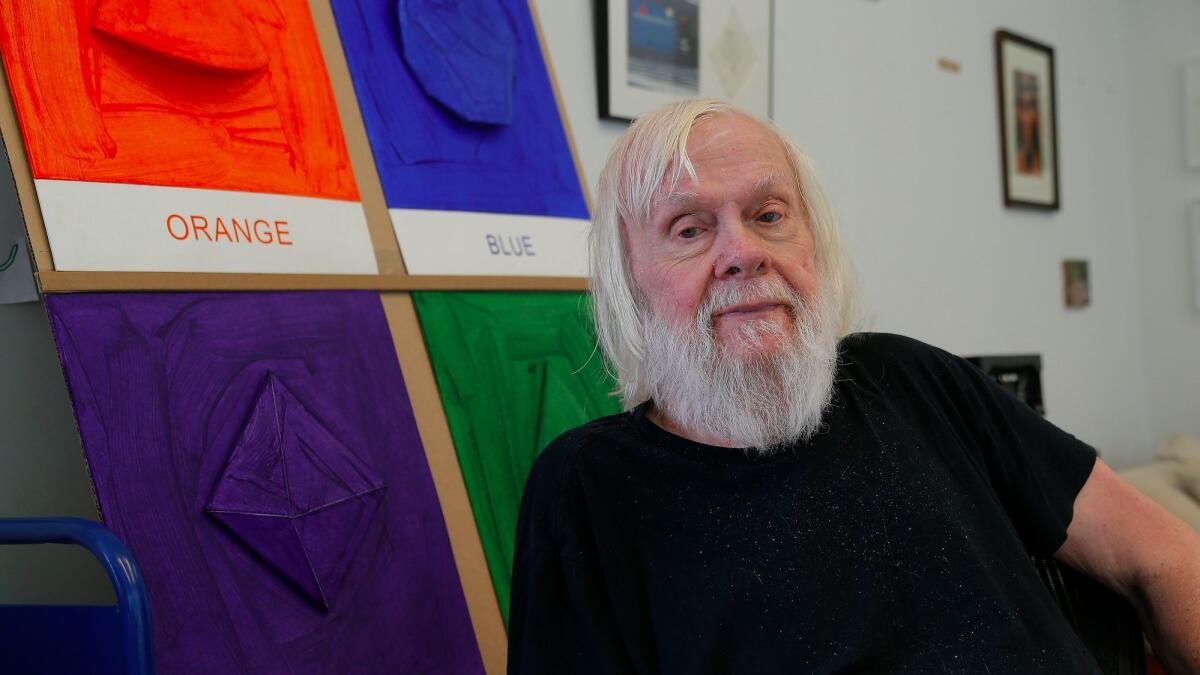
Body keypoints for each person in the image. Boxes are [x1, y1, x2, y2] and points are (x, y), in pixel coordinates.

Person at [506, 99, 1200, 673]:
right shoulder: (586, 491)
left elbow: (1163, 553)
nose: (743, 251)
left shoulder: (913, 381)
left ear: (813, 243)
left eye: (769, 214)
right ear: (630, 283)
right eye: (689, 228)